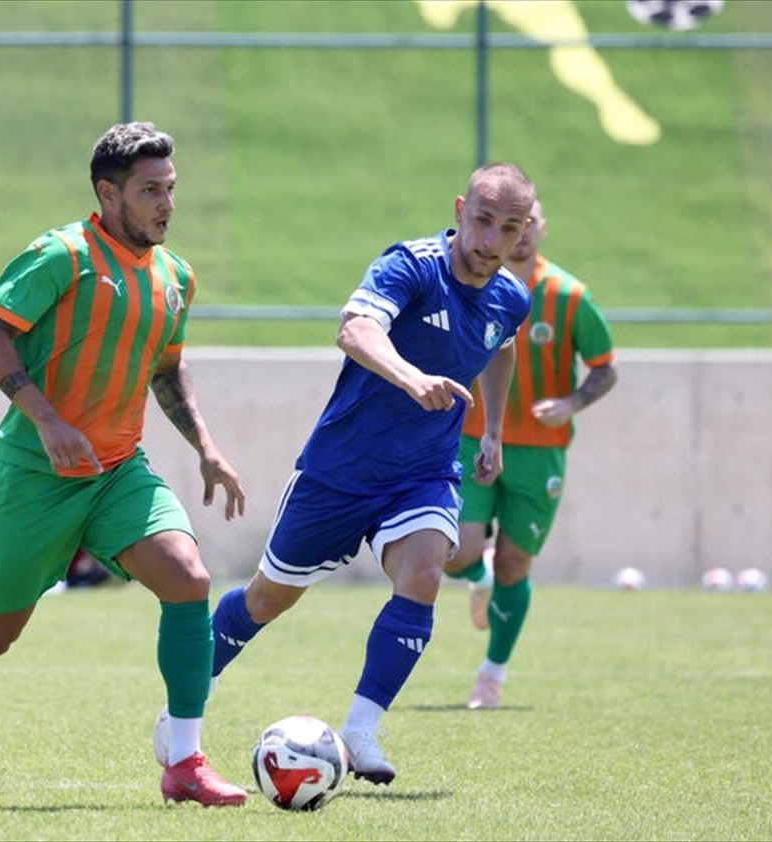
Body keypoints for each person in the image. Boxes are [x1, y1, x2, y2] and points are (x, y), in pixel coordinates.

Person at [0, 121, 250, 808]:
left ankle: (184, 760)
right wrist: (46, 420)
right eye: (149, 190)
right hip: (33, 474)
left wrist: (207, 449)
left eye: (171, 189)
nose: (166, 204)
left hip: (116, 472)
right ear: (108, 193)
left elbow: (167, 369)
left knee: (189, 578)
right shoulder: (61, 255)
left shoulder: (175, 275)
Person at [156, 162, 536, 786]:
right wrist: (414, 380)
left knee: (424, 572)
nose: (492, 239)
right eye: (484, 220)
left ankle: (361, 729)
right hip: (340, 471)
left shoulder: (509, 296)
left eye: (509, 227)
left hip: (424, 473)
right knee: (265, 600)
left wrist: (492, 428)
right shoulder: (411, 266)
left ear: (523, 231)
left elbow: (502, 343)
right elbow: (355, 329)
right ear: (461, 208)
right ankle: (182, 711)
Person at [442, 198, 617, 709]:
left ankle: (491, 676)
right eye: (505, 224)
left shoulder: (568, 296)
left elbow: (606, 367)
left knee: (517, 564)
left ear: (540, 228)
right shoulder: (468, 280)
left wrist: (573, 402)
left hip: (540, 453)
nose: (516, 234)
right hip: (472, 436)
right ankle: (478, 578)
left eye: (526, 223)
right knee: (455, 551)